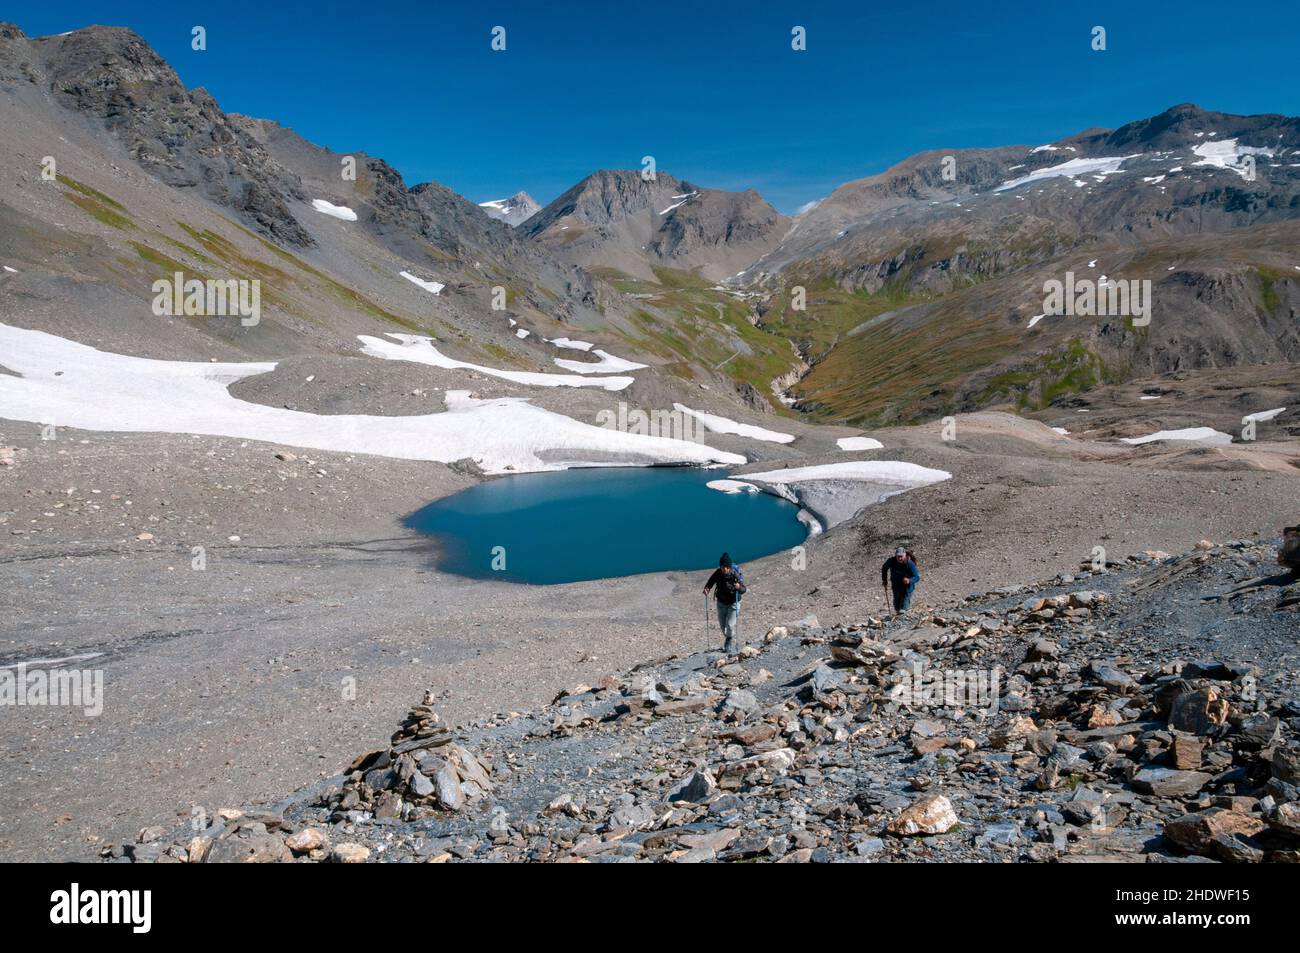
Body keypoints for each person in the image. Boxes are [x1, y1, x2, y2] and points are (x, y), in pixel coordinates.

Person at [703, 552, 747, 653]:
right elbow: (710, 582)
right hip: (721, 603)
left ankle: (729, 641)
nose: (724, 569)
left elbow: (744, 589)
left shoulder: (735, 574)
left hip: (733, 603)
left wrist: (739, 587)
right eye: (723, 567)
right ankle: (729, 637)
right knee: (723, 626)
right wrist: (707, 589)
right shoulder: (718, 573)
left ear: (729, 566)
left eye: (726, 567)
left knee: (730, 625)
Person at [880, 546, 919, 616]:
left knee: (903, 607)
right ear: (895, 555)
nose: (900, 558)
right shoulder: (892, 561)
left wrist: (909, 580)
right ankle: (898, 619)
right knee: (897, 606)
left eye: (901, 556)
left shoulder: (909, 563)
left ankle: (902, 620)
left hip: (907, 587)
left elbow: (917, 577)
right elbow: (884, 568)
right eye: (898, 556)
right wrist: (884, 580)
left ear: (905, 555)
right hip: (896, 585)